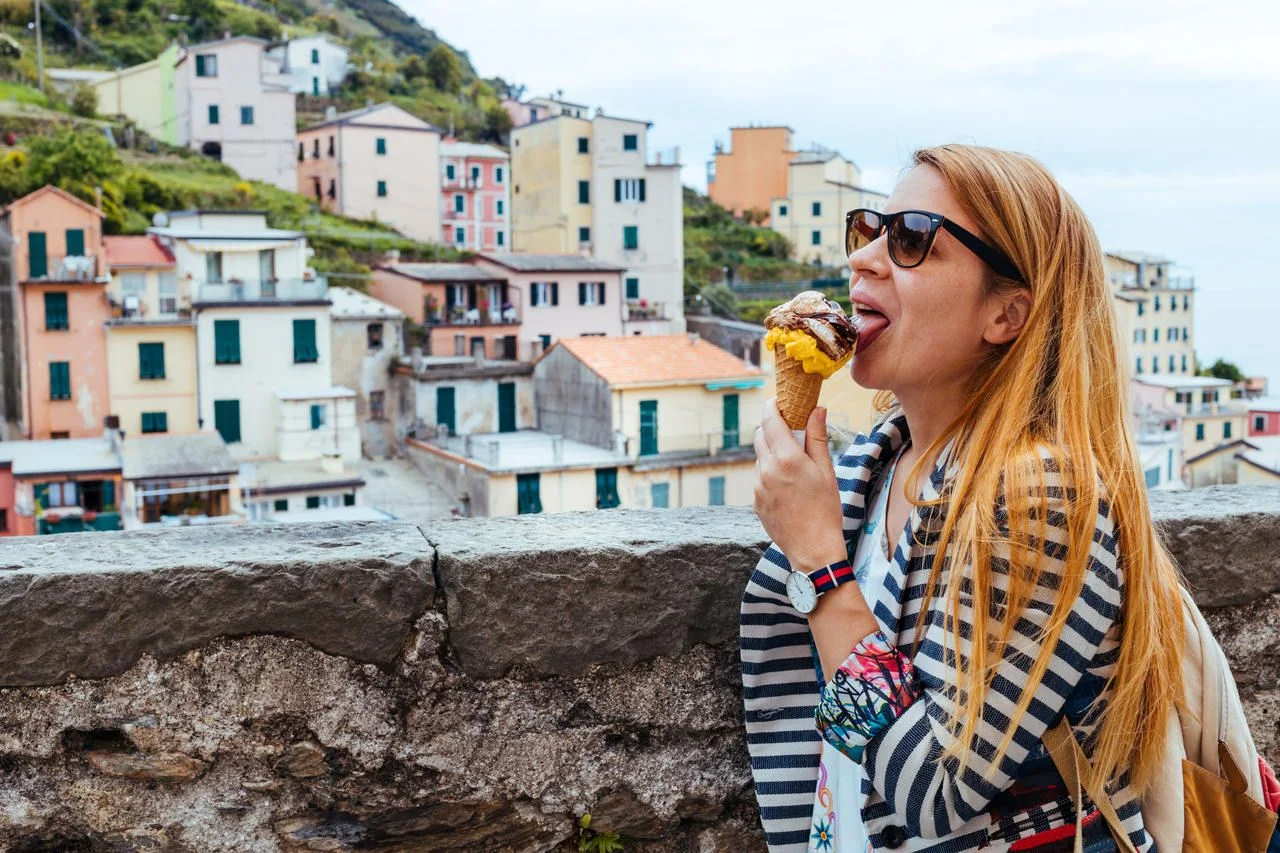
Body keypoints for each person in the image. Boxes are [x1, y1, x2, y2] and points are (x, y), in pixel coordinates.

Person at [744, 144, 1186, 852]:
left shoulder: (1042, 493)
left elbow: (938, 789)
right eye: (871, 229)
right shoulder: (875, 468)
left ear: (1006, 314)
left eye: (913, 239)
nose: (864, 259)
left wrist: (821, 563)